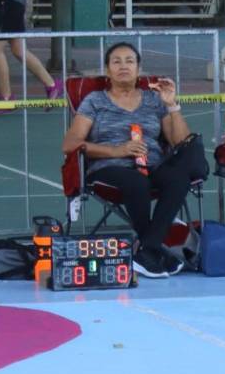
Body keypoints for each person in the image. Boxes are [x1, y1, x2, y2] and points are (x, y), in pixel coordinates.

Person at [59, 41, 203, 278]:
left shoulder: (153, 100)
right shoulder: (95, 101)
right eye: (116, 61)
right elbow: (70, 144)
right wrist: (117, 150)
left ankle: (148, 249)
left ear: (139, 69)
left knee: (178, 177)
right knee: (137, 182)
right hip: (109, 166)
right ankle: (153, 249)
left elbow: (180, 141)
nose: (123, 66)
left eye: (129, 61)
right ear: (107, 70)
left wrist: (172, 106)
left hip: (153, 164)